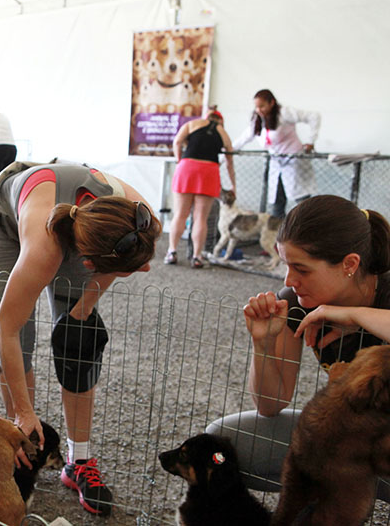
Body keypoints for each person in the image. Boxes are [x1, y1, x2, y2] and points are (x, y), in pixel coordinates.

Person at [0, 162, 162, 516]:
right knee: (20, 338)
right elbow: (7, 330)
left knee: (80, 341)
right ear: (87, 261)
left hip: (77, 222)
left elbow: (120, 265)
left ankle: (79, 461)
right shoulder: (45, 249)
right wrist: (26, 412)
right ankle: (19, 446)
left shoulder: (141, 218)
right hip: (6, 221)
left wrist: (82, 311)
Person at [206, 195, 390, 499]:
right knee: (223, 443)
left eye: (302, 269)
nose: (289, 280)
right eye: (286, 264)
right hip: (349, 434)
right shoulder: (295, 301)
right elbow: (271, 404)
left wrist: (354, 315)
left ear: (350, 264)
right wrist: (262, 344)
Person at [233, 89, 321, 218]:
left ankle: (308, 232)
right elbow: (243, 139)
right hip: (276, 164)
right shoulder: (258, 120)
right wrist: (224, 156)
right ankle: (278, 234)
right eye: (256, 107)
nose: (259, 110)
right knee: (276, 202)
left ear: (271, 103)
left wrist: (311, 141)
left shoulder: (285, 113)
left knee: (302, 202)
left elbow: (314, 116)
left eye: (262, 106)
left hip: (294, 161)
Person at [165, 109, 236, 268]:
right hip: (209, 171)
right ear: (221, 121)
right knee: (201, 218)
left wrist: (179, 161)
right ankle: (197, 257)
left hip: (187, 168)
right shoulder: (222, 132)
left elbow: (177, 142)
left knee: (180, 215)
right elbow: (230, 160)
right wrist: (233, 185)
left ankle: (172, 251)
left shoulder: (192, 124)